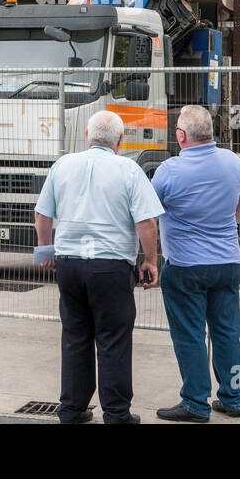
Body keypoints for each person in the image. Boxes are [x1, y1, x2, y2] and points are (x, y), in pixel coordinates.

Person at [33, 109, 164, 425]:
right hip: (110, 266)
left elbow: (42, 214)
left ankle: (72, 409)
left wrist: (45, 252)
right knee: (113, 338)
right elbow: (147, 222)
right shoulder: (128, 170)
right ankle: (117, 414)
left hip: (69, 264)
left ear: (87, 137)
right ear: (121, 139)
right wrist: (150, 260)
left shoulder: (63, 164)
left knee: (75, 335)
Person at [150, 105, 240, 422]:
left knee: (190, 335)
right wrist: (230, 224)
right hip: (227, 262)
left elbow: (148, 212)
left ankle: (196, 403)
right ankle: (233, 397)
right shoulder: (234, 163)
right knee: (227, 333)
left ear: (181, 135)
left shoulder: (170, 170)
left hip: (185, 266)